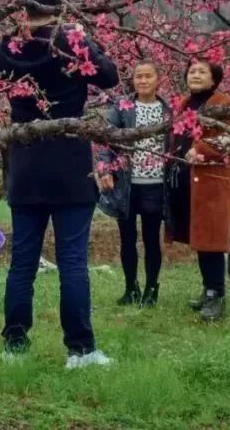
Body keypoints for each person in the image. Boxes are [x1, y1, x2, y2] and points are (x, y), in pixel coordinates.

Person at [0, 0, 119, 369]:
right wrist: (83, 40)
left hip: (25, 166)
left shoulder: (6, 48)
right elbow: (109, 76)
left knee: (22, 262)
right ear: (58, 10)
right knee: (73, 262)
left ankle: (14, 344)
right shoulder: (69, 43)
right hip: (69, 164)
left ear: (22, 11)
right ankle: (80, 349)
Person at [165, 59, 230, 322]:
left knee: (210, 241)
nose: (195, 75)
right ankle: (207, 290)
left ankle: (216, 295)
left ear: (214, 79)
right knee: (201, 239)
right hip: (188, 180)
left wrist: (200, 150)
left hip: (211, 182)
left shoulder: (226, 104)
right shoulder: (186, 105)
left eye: (202, 72)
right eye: (191, 71)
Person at [98, 61, 172, 307]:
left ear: (157, 79)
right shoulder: (122, 106)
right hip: (127, 184)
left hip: (156, 183)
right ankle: (131, 288)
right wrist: (106, 169)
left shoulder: (168, 110)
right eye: (138, 76)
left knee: (152, 238)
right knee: (127, 238)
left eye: (148, 76)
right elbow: (106, 139)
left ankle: (152, 288)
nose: (142, 81)